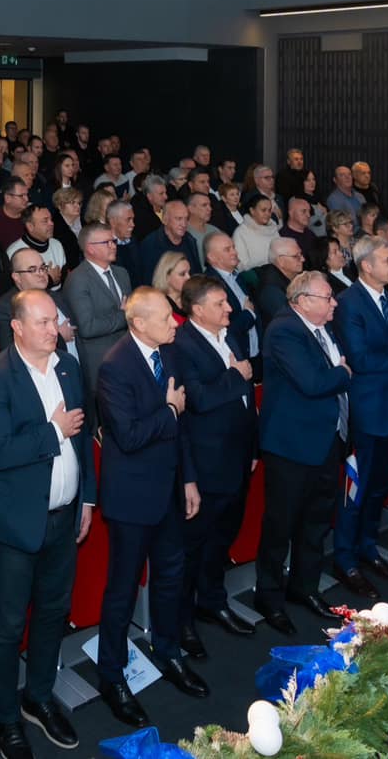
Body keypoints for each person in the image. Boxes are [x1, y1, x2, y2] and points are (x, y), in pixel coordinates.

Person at [0, 292, 91, 758]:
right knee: (6, 626)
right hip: (19, 525)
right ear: (18, 328)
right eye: (42, 322)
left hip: (66, 515)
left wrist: (89, 498)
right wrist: (54, 429)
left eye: (55, 321)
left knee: (51, 614)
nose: (53, 329)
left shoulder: (68, 367)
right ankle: (4, 717)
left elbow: (84, 437)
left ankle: (37, 697)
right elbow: (0, 452)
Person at [93, 289, 206, 724]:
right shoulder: (114, 367)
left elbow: (184, 430)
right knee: (122, 590)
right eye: (164, 318)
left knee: (170, 578)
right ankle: (112, 675)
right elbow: (129, 435)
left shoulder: (169, 353)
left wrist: (190, 478)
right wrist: (170, 410)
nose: (174, 323)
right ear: (138, 323)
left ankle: (169, 651)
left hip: (171, 488)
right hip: (132, 498)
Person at [251, 268, 352, 634]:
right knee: (281, 524)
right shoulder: (284, 330)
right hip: (291, 446)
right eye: (328, 297)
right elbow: (313, 383)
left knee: (316, 521)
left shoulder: (323, 328)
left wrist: (340, 372)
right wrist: (344, 373)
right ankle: (269, 597)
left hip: (326, 439)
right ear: (303, 301)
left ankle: (305, 588)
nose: (334, 303)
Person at [168, 274, 256, 651]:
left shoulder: (228, 335)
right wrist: (237, 377)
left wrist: (253, 448)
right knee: (194, 545)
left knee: (223, 539)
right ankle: (181, 622)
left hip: (238, 457)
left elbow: (245, 401)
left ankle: (213, 602)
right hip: (206, 464)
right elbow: (200, 400)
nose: (230, 309)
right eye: (221, 304)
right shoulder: (182, 346)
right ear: (198, 309)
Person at [332, 236, 388, 599]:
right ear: (366, 265)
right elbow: (360, 361)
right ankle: (345, 559)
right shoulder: (349, 304)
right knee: (356, 489)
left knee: (379, 485)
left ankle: (368, 548)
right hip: (364, 410)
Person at [61, 223, 131, 371]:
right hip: (100, 361)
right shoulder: (78, 279)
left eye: (113, 241)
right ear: (90, 248)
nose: (113, 246)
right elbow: (88, 327)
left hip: (128, 353)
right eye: (107, 242)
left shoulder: (122, 273)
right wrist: (124, 315)